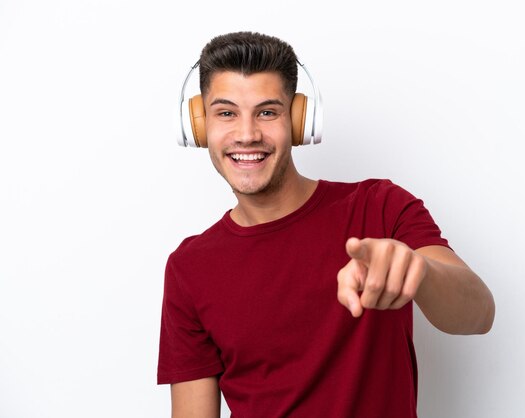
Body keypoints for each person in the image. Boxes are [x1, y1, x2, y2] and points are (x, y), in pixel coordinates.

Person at [158, 31, 495, 418]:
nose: (247, 134)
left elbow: (479, 314)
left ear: (300, 120)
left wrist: (418, 272)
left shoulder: (380, 207)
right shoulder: (189, 267)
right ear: (199, 126)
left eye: (267, 112)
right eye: (227, 113)